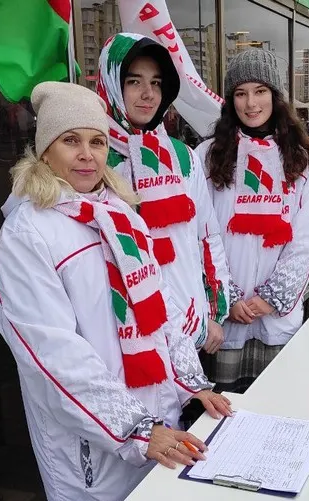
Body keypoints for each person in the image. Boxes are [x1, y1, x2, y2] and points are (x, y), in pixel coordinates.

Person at [0, 81, 231, 501]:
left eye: (97, 141)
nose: (87, 154)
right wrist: (134, 428)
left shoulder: (122, 216)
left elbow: (162, 314)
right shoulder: (27, 234)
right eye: (71, 141)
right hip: (92, 444)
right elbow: (52, 357)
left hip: (159, 424)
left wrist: (192, 385)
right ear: (45, 151)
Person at [195, 48, 309, 393]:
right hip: (227, 318)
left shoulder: (303, 164)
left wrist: (271, 298)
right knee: (225, 414)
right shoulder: (207, 157)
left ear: (276, 96)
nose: (251, 103)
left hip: (276, 317)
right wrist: (228, 297)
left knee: (276, 406)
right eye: (240, 93)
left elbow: (305, 243)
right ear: (230, 101)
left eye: (260, 91)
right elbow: (203, 235)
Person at [96, 33, 232, 357]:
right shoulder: (95, 164)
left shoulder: (183, 157)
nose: (148, 94)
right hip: (130, 345)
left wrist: (215, 313)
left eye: (156, 83)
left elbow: (207, 236)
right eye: (134, 81)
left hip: (193, 335)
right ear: (112, 83)